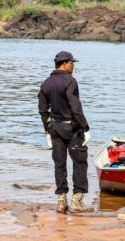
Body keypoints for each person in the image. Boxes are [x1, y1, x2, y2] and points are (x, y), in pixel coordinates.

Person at [38, 51, 91, 214]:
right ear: (65, 64)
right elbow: (75, 106)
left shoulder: (46, 83)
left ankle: (61, 201)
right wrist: (86, 127)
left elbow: (42, 109)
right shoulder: (70, 81)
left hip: (55, 128)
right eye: (72, 63)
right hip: (71, 128)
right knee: (80, 162)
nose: (73, 66)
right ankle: (77, 201)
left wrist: (47, 130)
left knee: (59, 164)